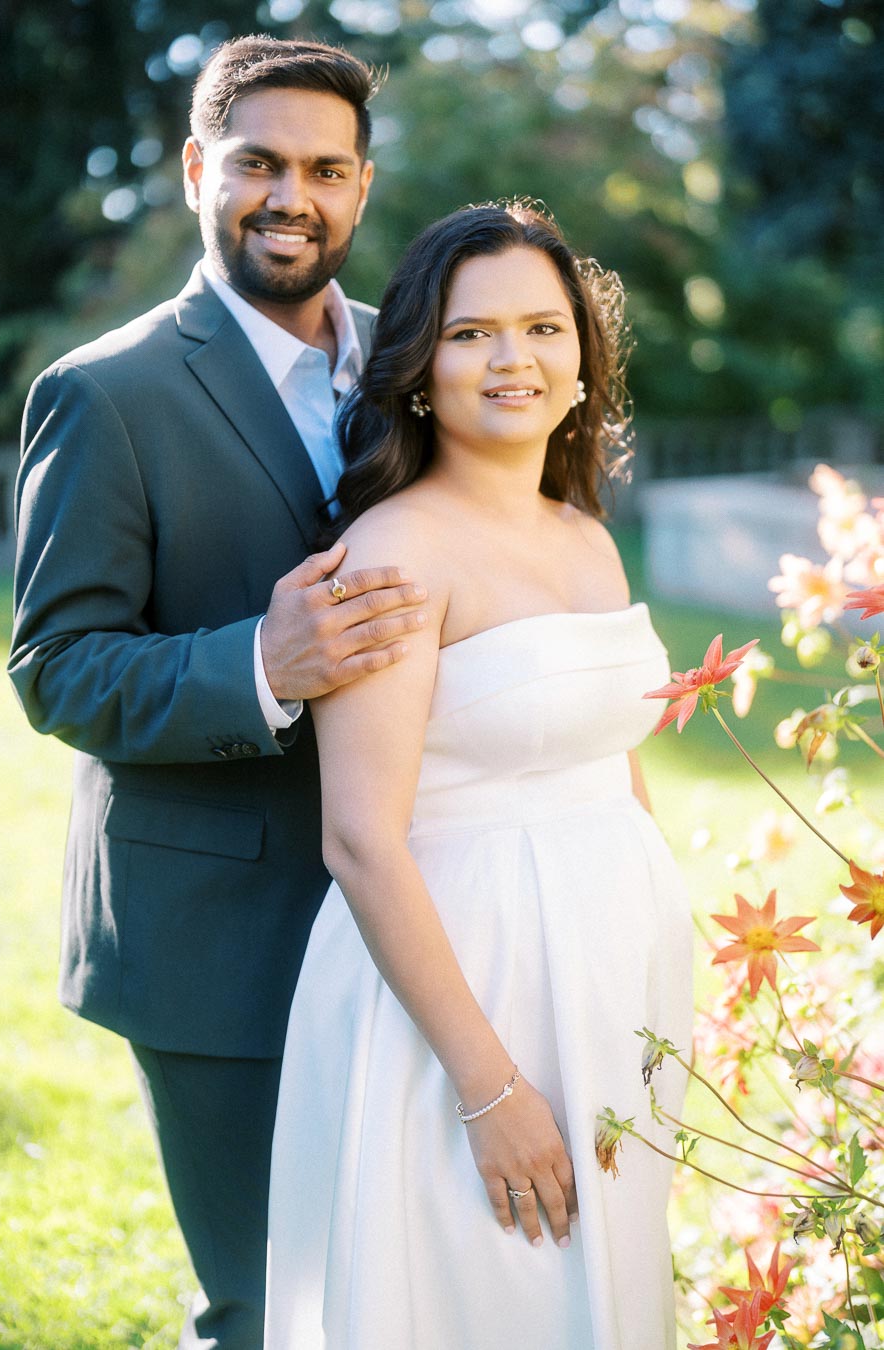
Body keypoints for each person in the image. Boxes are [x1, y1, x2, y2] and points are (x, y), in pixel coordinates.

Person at [8, 35, 428, 1350]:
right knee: (264, 1303)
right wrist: (259, 661)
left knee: (398, 1277)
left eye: (323, 167)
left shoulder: (423, 372)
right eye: (257, 163)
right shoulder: (105, 394)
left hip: (420, 907)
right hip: (215, 931)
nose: (288, 195)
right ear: (199, 169)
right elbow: (56, 665)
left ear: (361, 188)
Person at [263, 202, 694, 1350]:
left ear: (583, 355)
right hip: (467, 989)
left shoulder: (587, 535)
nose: (515, 360)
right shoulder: (395, 553)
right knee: (483, 1296)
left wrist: (658, 957)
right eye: (472, 334)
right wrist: (490, 1089)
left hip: (607, 982)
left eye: (545, 329)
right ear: (420, 366)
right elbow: (360, 836)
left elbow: (615, 762)